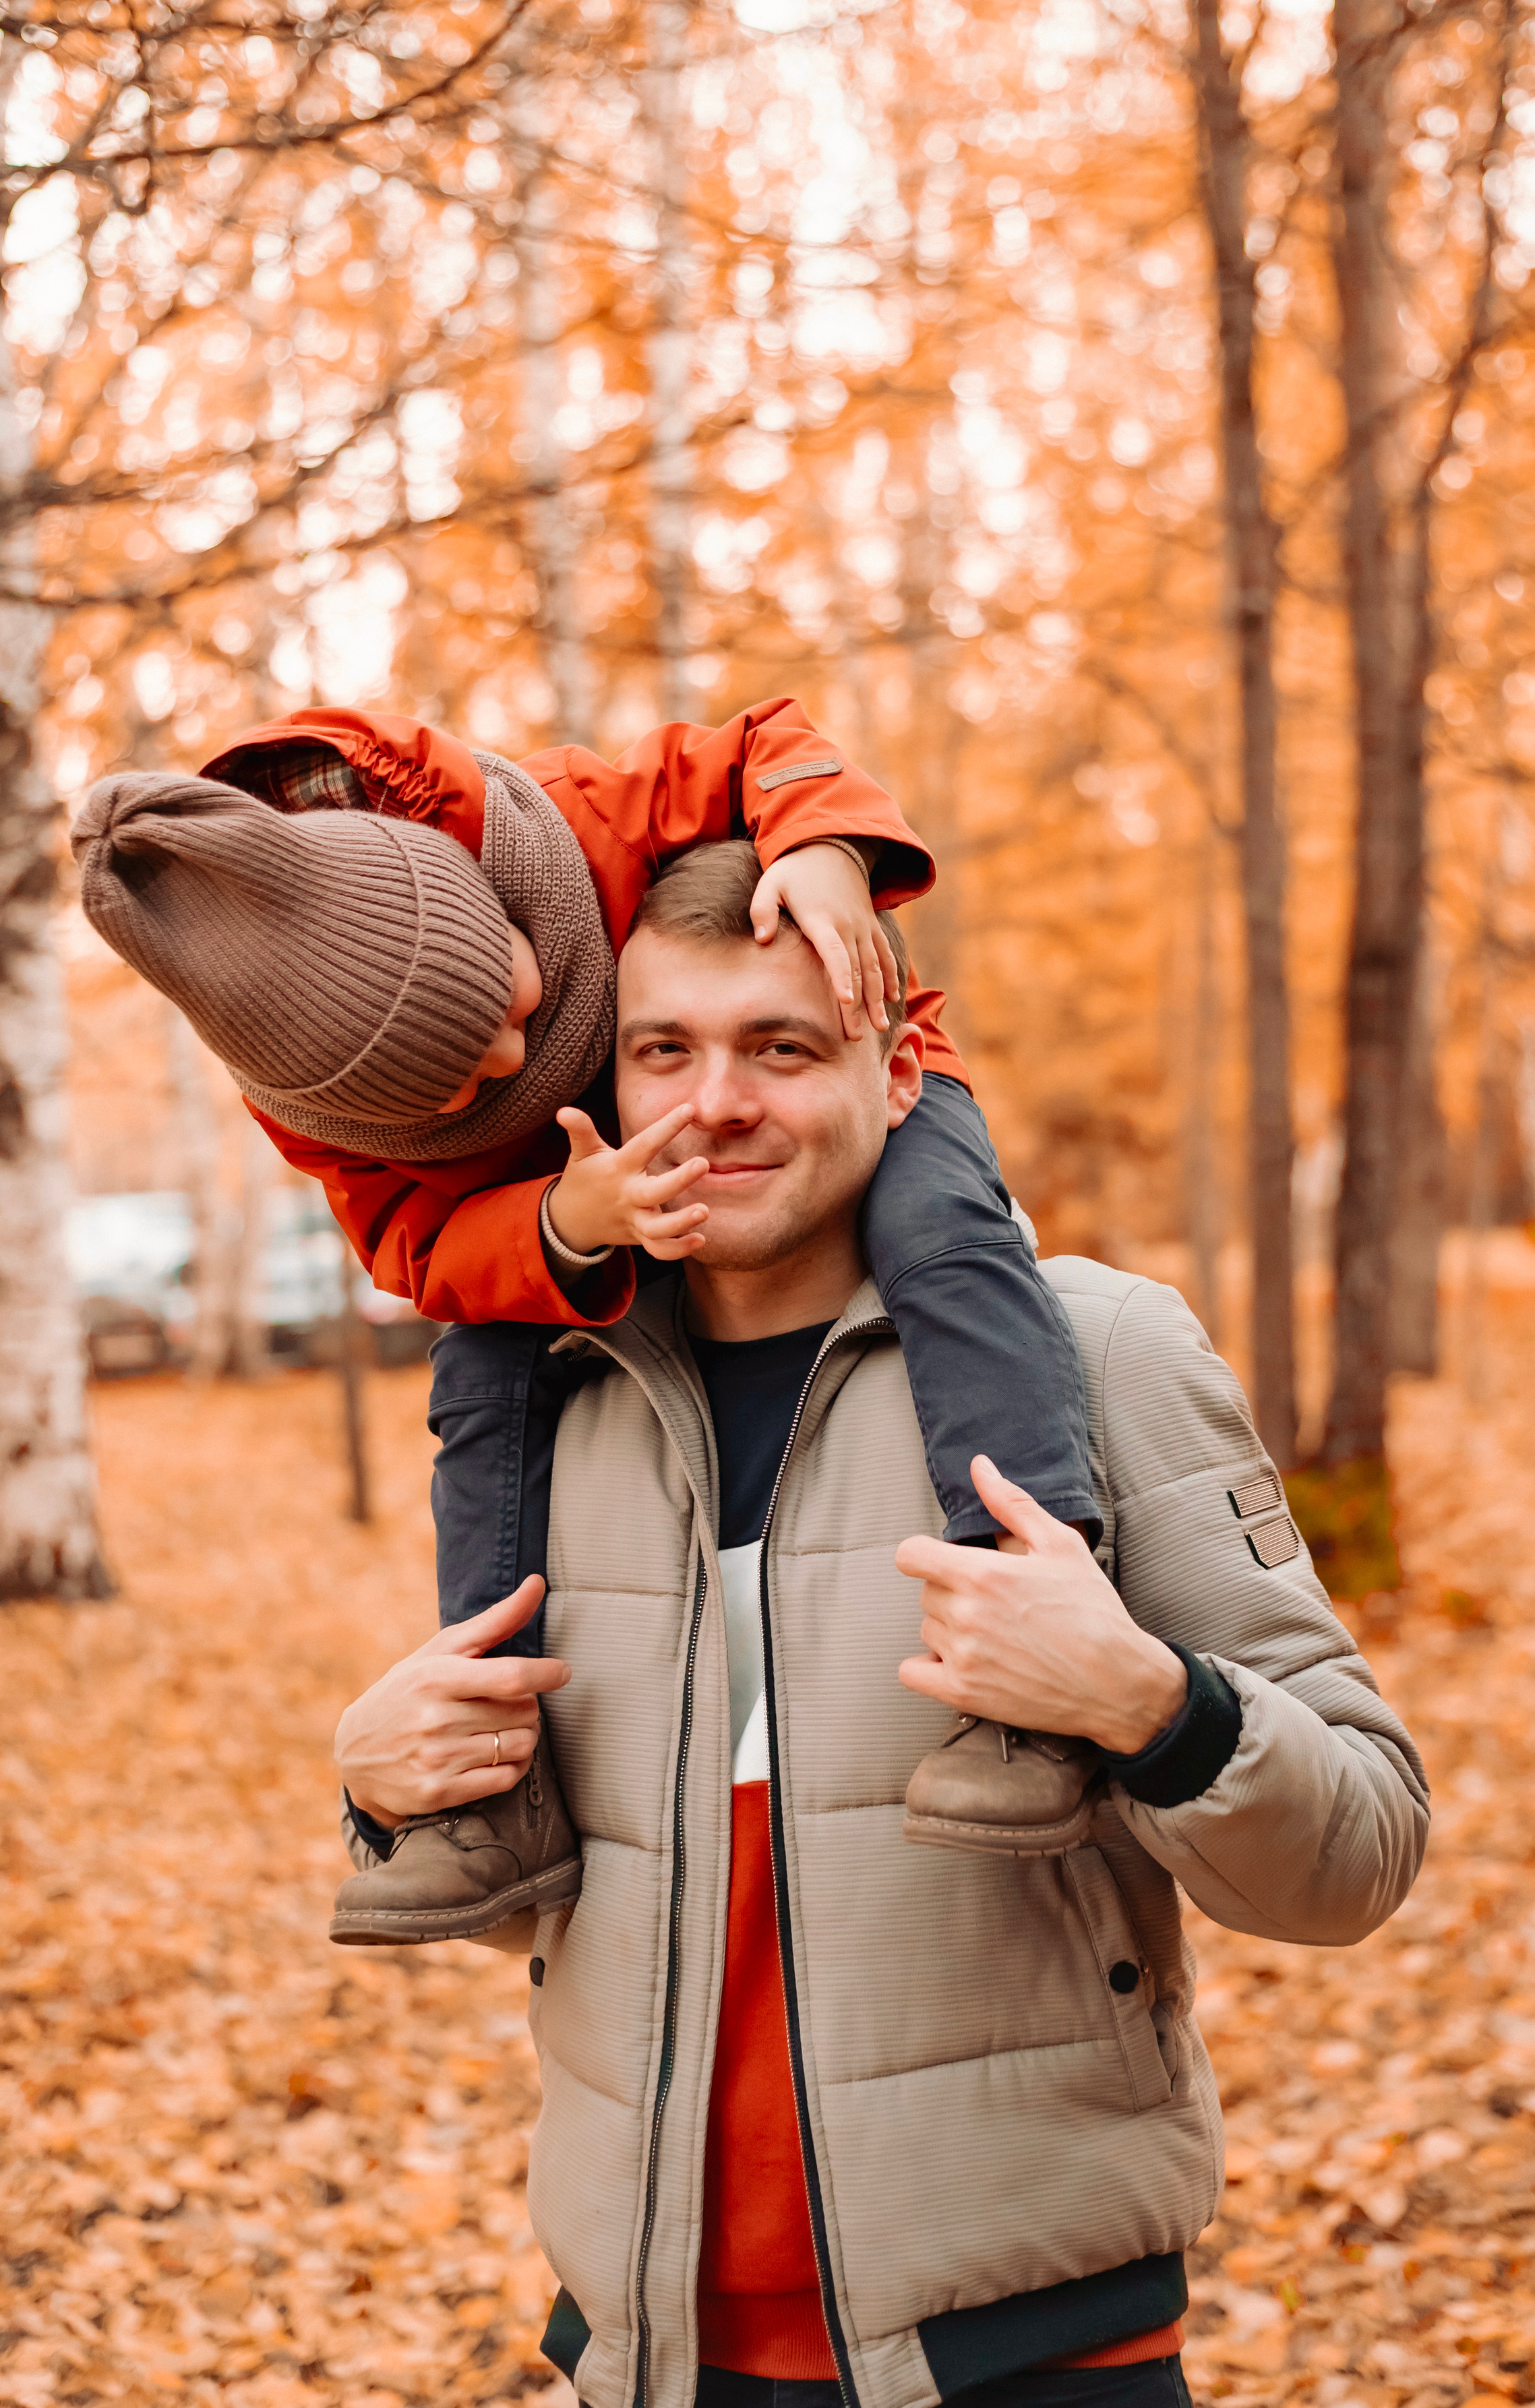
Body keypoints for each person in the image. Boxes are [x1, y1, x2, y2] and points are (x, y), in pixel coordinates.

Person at [332, 838, 1430, 2408]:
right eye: (667, 1050)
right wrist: (384, 1793)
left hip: (1032, 2355)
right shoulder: (557, 1399)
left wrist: (1145, 1702)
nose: (716, 1102)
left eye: (781, 1046)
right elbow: (587, 1905)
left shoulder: (1095, 1356)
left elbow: (1360, 1853)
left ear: (899, 1066)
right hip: (647, 2361)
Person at [71, 700, 1102, 1945]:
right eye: (458, 1085)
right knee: (478, 1388)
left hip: (839, 1057)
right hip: (559, 1203)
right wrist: (562, 1215)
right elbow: (421, 1248)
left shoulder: (559, 821)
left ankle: (1032, 1618)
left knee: (947, 1244)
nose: (517, 1055)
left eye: (506, 1000)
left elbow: (766, 740)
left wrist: (824, 847)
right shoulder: (320, 1104)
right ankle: (488, 1783)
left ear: (491, 905)